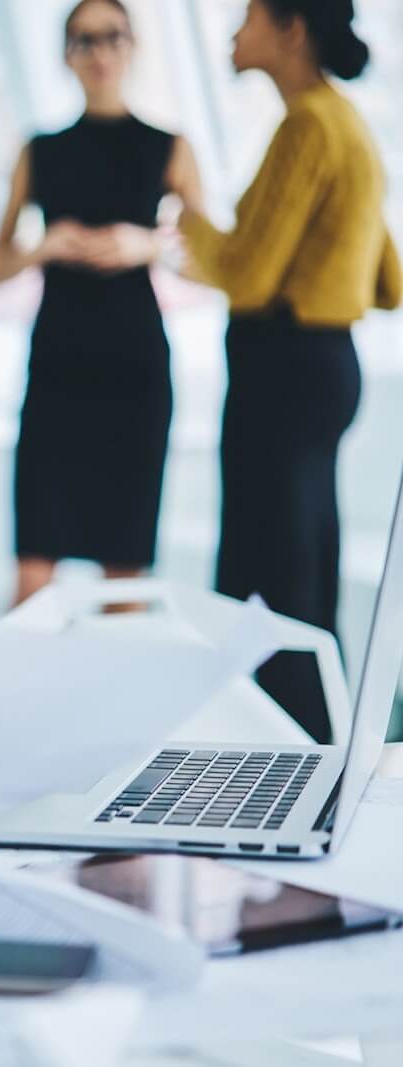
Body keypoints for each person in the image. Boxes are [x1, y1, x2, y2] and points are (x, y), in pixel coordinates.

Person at [181, 0, 400, 741]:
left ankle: (281, 750)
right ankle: (315, 741)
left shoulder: (306, 124)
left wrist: (188, 214)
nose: (233, 36)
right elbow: (389, 282)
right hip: (327, 365)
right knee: (305, 560)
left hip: (281, 368)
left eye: (247, 19)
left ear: (291, 29)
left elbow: (247, 276)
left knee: (267, 573)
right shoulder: (351, 123)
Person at [0, 0, 204, 608]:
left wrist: (148, 246)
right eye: (84, 41)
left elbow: (214, 260)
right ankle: (20, 702)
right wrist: (44, 247)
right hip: (57, 369)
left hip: (132, 371)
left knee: (124, 568)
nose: (100, 52)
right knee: (33, 568)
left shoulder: (170, 146)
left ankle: (119, 702)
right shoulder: (39, 150)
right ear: (66, 56)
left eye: (112, 37)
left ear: (133, 46)